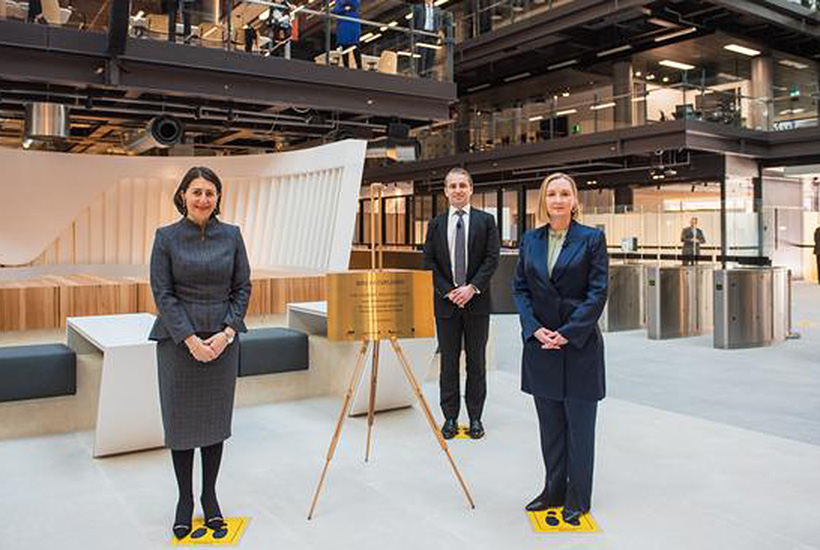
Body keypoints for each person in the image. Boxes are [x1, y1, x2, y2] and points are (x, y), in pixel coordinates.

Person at [149, 166, 252, 540]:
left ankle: (210, 498)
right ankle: (184, 500)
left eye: (210, 192)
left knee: (213, 426)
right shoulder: (166, 238)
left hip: (223, 341)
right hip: (179, 344)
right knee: (181, 427)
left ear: (218, 197)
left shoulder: (233, 236)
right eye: (196, 192)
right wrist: (191, 340)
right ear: (183, 196)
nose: (203, 199)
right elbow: (163, 294)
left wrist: (226, 334)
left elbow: (242, 288)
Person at [512, 172, 608, 525]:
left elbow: (598, 292)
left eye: (564, 193)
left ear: (574, 200)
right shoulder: (530, 240)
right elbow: (520, 289)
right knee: (550, 426)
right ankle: (553, 488)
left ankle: (578, 496)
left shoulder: (592, 239)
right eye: (551, 194)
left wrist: (567, 332)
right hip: (542, 347)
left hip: (579, 346)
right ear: (544, 200)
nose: (557, 200)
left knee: (580, 429)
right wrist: (535, 329)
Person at [423, 167, 500, 440]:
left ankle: (476, 417)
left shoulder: (486, 221)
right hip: (446, 306)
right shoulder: (435, 224)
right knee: (449, 364)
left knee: (477, 363)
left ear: (471, 189)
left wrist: (472, 288)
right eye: (452, 186)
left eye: (462, 185)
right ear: (445, 191)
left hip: (477, 304)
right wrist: (449, 291)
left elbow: (492, 259)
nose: (458, 190)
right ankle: (450, 418)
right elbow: (429, 262)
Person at [412, 0, 445, 78]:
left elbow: (439, 22)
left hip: (433, 35)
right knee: (422, 55)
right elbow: (414, 22)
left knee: (431, 56)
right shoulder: (418, 8)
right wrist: (415, 35)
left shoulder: (437, 9)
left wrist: (439, 31)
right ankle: (420, 75)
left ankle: (428, 75)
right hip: (422, 34)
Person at [333, 0, 361, 69]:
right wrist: (345, 8)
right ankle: (346, 67)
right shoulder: (339, 1)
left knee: (355, 46)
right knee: (345, 46)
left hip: (352, 24)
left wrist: (344, 8)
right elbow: (336, 10)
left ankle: (359, 66)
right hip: (344, 25)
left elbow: (354, 5)